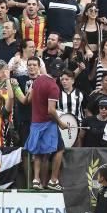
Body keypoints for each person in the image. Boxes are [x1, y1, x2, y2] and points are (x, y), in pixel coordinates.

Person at [21, 57, 69, 190]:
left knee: (37, 152)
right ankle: (53, 181)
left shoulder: (37, 81)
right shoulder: (54, 87)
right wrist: (60, 123)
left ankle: (36, 180)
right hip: (48, 123)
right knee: (59, 149)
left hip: (35, 122)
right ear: (61, 73)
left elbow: (28, 100)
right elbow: (51, 110)